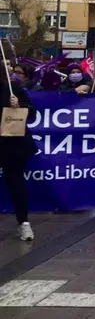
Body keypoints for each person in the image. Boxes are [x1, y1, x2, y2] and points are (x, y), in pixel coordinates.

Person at [0, 71, 37, 241]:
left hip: (12, 144)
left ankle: (24, 223)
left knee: (16, 182)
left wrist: (20, 105)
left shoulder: (12, 88)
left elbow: (33, 112)